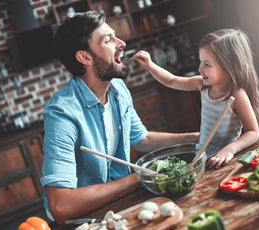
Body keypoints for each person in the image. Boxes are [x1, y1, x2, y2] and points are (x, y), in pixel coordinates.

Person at [40, 11, 199, 224]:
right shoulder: (62, 113)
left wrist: (199, 137)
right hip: (83, 223)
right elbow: (61, 206)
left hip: (121, 206)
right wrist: (140, 176)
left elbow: (142, 139)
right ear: (85, 57)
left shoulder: (117, 88)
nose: (121, 43)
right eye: (108, 40)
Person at [133, 28, 259, 170]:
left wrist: (230, 150)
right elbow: (171, 80)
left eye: (207, 64)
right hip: (202, 158)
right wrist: (150, 65)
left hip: (224, 161)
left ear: (231, 67)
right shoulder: (202, 85)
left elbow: (253, 132)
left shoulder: (236, 94)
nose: (200, 68)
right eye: (200, 62)